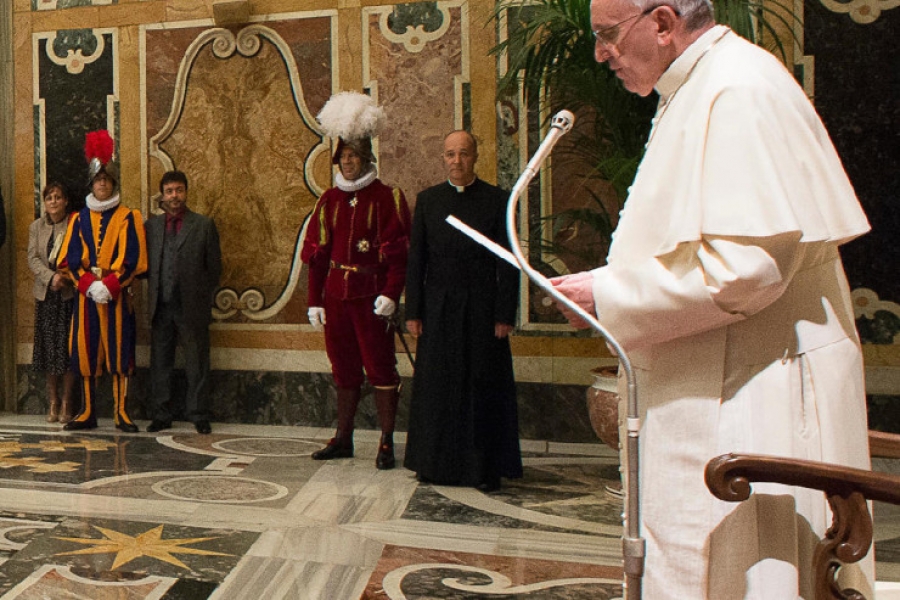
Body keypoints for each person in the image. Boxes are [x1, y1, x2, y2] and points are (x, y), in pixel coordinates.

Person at [550, 0, 874, 597]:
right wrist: (610, 286)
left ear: (665, 23)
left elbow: (746, 269)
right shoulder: (702, 84)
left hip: (756, 391)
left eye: (608, 35)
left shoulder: (736, 89)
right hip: (733, 373)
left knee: (748, 576)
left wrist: (609, 294)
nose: (600, 54)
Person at [403, 131, 522, 493]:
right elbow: (417, 260)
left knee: (481, 385)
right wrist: (414, 312)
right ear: (444, 158)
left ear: (476, 157)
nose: (457, 160)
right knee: (438, 386)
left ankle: (482, 467)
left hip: (483, 310)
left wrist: (504, 313)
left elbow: (509, 260)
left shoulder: (498, 200)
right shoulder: (428, 201)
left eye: (464, 154)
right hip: (438, 309)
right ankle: (433, 464)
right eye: (450, 154)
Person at [301, 91, 410, 469]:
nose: (348, 163)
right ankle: (343, 437)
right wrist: (314, 300)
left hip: (371, 298)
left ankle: (385, 441)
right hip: (335, 298)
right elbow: (316, 256)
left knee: (381, 368)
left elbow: (399, 254)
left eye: (354, 157)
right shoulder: (328, 200)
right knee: (343, 369)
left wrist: (391, 294)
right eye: (343, 157)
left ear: (367, 160)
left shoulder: (387, 198)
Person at [58, 130, 147, 433]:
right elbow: (69, 259)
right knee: (86, 351)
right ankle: (88, 412)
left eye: (107, 181)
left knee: (119, 350)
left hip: (116, 294)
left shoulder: (128, 216)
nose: (103, 184)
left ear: (113, 184)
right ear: (92, 184)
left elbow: (133, 258)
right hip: (86, 298)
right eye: (98, 181)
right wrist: (87, 284)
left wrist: (108, 285)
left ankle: (122, 412)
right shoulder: (78, 218)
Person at [145, 170, 222, 435]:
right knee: (160, 361)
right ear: (162, 195)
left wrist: (201, 296)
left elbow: (214, 268)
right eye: (169, 191)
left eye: (178, 190)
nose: (174, 196)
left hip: (192, 305)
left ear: (186, 192)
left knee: (197, 361)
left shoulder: (203, 225)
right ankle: (161, 413)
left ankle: (198, 413)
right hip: (161, 303)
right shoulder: (151, 227)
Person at [27, 182, 78, 423]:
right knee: (49, 351)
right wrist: (51, 278)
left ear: (66, 201)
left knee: (67, 350)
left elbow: (80, 256)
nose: (54, 201)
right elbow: (33, 258)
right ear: (44, 203)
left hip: (68, 296)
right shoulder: (36, 227)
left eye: (58, 197)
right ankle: (53, 400)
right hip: (47, 296)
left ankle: (68, 401)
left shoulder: (75, 225)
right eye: (49, 198)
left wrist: (64, 278)